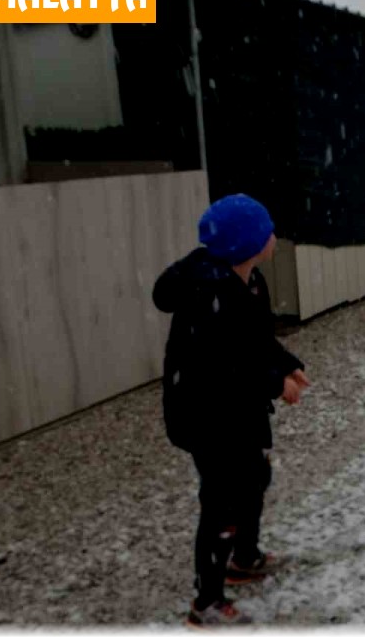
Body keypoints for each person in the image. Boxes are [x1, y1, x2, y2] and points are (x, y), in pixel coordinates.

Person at [153, 193, 310, 626]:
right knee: (221, 501)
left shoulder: (250, 281)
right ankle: (206, 604)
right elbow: (225, 363)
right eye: (267, 231)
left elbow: (256, 341)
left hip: (239, 409)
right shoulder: (209, 294)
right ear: (248, 244)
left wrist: (286, 365)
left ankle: (244, 558)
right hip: (207, 415)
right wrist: (275, 384)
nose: (274, 236)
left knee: (255, 476)